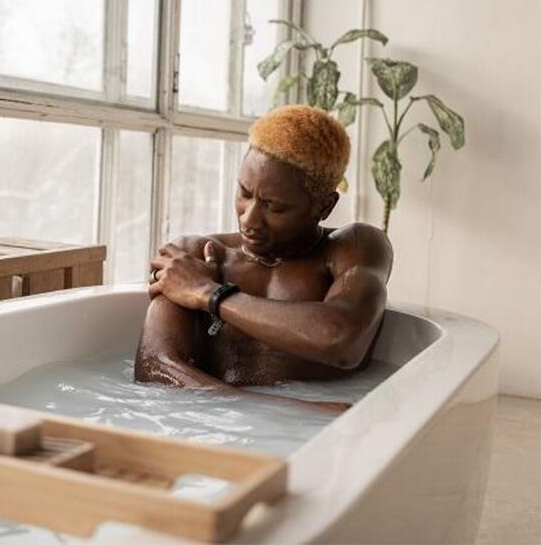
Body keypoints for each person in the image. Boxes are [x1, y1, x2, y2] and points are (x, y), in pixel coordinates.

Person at [135, 105, 392, 411]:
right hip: (215, 429)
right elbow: (154, 367)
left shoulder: (354, 247)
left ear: (324, 206)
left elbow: (341, 340)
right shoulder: (192, 256)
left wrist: (210, 295)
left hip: (317, 442)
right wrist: (291, 413)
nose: (250, 219)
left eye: (274, 207)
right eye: (244, 193)